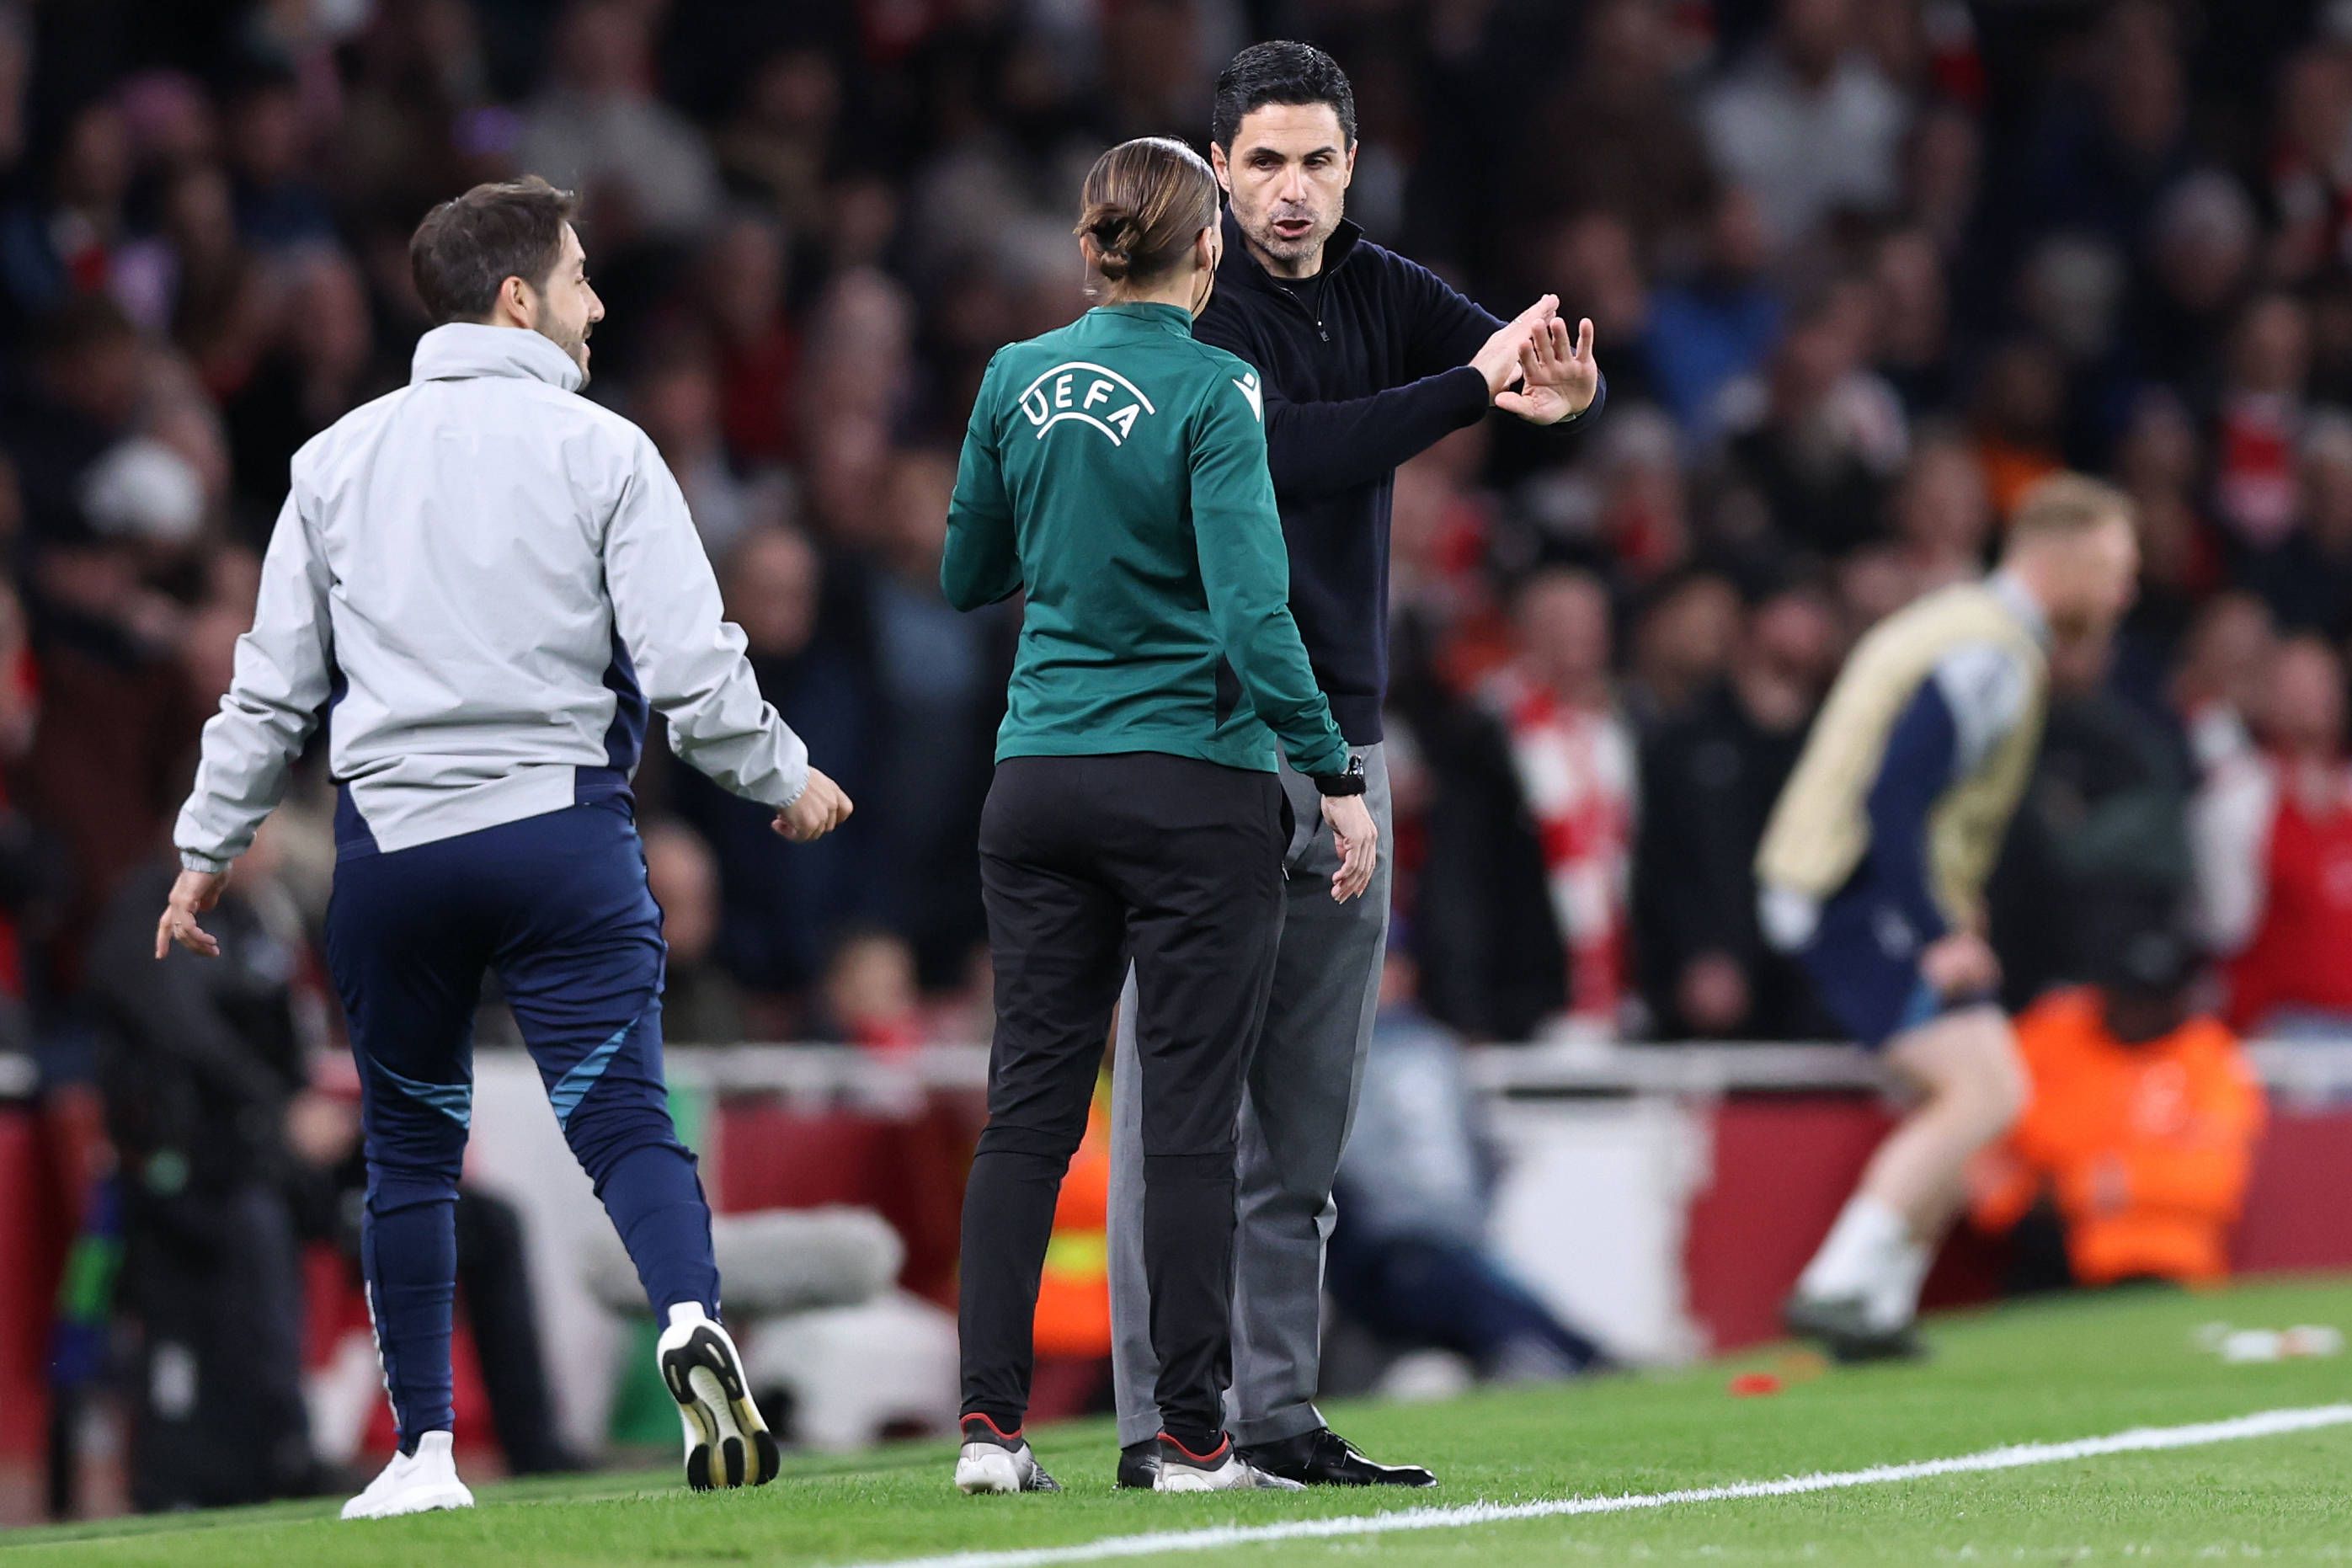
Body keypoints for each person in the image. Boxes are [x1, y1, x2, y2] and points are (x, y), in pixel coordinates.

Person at [156, 176, 854, 1518]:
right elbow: (695, 671)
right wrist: (787, 779)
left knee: (411, 1158)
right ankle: (692, 1313)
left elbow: (268, 693)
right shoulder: (605, 448)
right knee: (626, 1121)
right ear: (520, 297)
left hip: (393, 856)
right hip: (557, 841)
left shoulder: (331, 460)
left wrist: (204, 851)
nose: (598, 304)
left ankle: (420, 1452)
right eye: (583, 279)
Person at [1108, 40, 1603, 1493]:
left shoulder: (1380, 286)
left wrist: (1559, 391)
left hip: (1347, 739)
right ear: (1215, 171)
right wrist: (1472, 387)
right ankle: (1159, 1422)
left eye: (1317, 160)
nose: (1292, 190)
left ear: (1350, 164)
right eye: (1263, 161)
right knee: (1176, 1109)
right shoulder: (1188, 313)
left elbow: (1518, 362)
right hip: (1202, 735)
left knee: (1304, 1121)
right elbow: (1294, 459)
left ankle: (1272, 1412)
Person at [941, 135, 1376, 1496]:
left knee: (1026, 1113)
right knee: (1184, 1117)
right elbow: (1254, 613)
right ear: (1208, 252)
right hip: (1191, 782)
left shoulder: (1014, 378)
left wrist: (1070, 522)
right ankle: (1194, 1439)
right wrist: (1338, 777)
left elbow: (968, 568)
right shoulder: (1215, 384)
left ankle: (988, 1435)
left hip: (1038, 779)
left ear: (1089, 250)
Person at [1756, 472, 2140, 1361]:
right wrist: (1937, 933)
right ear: (2066, 557)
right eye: (2116, 566)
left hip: (1862, 885)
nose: (2126, 592)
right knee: (1985, 1087)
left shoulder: (1977, 629)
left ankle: (1879, 1301)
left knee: (1984, 1089)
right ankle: (1841, 1283)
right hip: (1850, 889)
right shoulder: (1991, 652)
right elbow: (1895, 799)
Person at [1970, 909, 2264, 1294]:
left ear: (2181, 997)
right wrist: (2061, 1187)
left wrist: (2082, 1183)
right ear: (2102, 990)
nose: (2141, 1012)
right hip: (2050, 1249)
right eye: (2129, 996)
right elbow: (1991, 1162)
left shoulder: (2209, 1054)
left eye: (2155, 998)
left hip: (2167, 1264)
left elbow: (2215, 1182)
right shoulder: (2052, 1032)